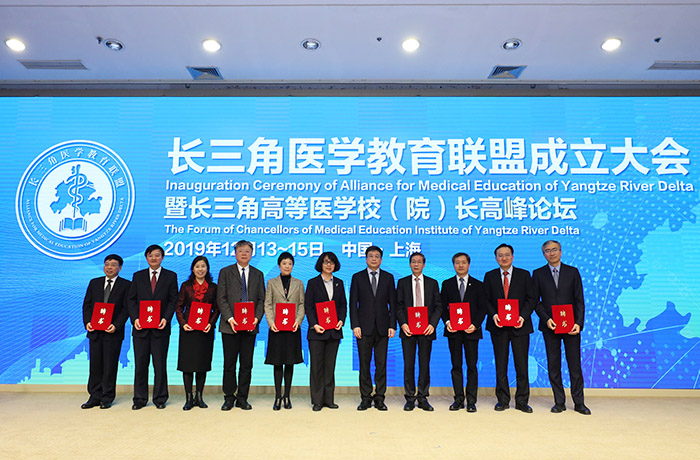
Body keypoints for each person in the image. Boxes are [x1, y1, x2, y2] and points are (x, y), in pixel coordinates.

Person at [533, 240, 590, 415]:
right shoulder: (538, 274)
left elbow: (579, 299)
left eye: (554, 249)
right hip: (551, 326)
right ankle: (559, 402)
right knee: (553, 365)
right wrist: (546, 319)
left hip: (571, 326)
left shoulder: (573, 272)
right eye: (547, 251)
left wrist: (578, 323)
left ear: (561, 251)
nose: (551, 253)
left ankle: (579, 402)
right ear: (543, 254)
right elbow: (535, 301)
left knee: (574, 365)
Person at [483, 243, 536, 413]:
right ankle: (503, 400)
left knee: (522, 365)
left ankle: (522, 401)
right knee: (501, 365)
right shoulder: (490, 276)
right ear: (496, 258)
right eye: (500, 255)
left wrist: (522, 316)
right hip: (498, 326)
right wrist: (494, 315)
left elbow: (531, 299)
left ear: (512, 257)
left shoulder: (524, 275)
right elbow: (486, 300)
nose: (504, 258)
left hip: (520, 326)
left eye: (507, 255)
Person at [127, 244, 179, 410]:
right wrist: (135, 319)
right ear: (146, 258)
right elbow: (131, 300)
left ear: (162, 257)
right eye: (150, 255)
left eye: (157, 255)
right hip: (140, 328)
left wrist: (166, 318)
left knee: (160, 365)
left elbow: (173, 300)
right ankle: (139, 399)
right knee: (140, 365)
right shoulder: (138, 276)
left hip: (160, 328)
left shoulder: (171, 276)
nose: (154, 258)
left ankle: (160, 398)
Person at [217, 240, 265, 411]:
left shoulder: (258, 274)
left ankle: (242, 398)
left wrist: (256, 318)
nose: (244, 254)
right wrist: (230, 318)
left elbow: (262, 299)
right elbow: (221, 298)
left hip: (250, 326)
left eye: (247, 251)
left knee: (246, 364)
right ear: (235, 253)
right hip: (229, 326)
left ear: (252, 254)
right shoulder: (225, 272)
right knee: (229, 364)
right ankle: (229, 397)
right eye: (240, 251)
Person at [349, 245, 397, 411]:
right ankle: (365, 397)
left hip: (383, 328)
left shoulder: (389, 278)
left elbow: (393, 304)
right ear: (366, 259)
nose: (374, 259)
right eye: (371, 256)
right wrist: (355, 325)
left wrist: (392, 325)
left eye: (377, 256)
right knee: (364, 364)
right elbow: (353, 304)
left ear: (381, 260)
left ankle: (380, 397)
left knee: (381, 364)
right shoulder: (357, 277)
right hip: (363, 328)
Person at [81, 254, 131, 409]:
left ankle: (107, 397)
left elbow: (126, 309)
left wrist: (116, 325)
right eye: (107, 264)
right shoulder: (94, 283)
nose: (109, 267)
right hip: (95, 331)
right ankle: (94, 396)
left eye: (114, 264)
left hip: (113, 332)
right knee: (95, 365)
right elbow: (87, 305)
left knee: (110, 365)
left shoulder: (126, 285)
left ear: (120, 268)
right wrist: (88, 322)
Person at [440, 252, 487, 412]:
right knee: (456, 366)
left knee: (472, 366)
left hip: (471, 331)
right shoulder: (447, 284)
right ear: (453, 265)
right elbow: (442, 307)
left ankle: (471, 401)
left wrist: (475, 324)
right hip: (454, 331)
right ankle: (458, 399)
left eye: (463, 262)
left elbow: (483, 308)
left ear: (468, 264)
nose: (460, 265)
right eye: (457, 262)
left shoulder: (479, 285)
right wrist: (447, 322)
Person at [396, 252, 442, 411]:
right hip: (408, 330)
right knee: (408, 364)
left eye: (419, 262)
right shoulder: (402, 282)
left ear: (424, 264)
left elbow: (438, 306)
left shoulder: (432, 283)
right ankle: (409, 398)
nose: (416, 264)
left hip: (426, 330)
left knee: (424, 364)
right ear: (410, 264)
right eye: (413, 261)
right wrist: (403, 324)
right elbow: (398, 306)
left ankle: (422, 397)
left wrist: (432, 324)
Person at [175, 256, 220, 411]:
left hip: (205, 331)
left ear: (207, 268)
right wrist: (183, 324)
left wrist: (210, 323)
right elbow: (179, 306)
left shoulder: (213, 287)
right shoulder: (186, 286)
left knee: (202, 364)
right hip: (189, 330)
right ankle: (188, 398)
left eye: (203, 266)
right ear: (193, 269)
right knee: (187, 365)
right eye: (197, 266)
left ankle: (199, 397)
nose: (200, 269)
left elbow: (217, 308)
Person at [305, 252, 347, 411]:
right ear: (320, 264)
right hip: (317, 332)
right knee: (316, 367)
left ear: (335, 265)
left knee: (330, 367)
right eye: (326, 262)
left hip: (333, 331)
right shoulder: (313, 283)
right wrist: (314, 324)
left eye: (332, 262)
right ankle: (317, 400)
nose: (329, 265)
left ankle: (329, 399)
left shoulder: (339, 283)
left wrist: (341, 320)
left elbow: (343, 305)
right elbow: (308, 306)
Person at [264, 252, 305, 410]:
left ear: (293, 266)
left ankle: (287, 396)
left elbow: (301, 304)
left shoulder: (299, 283)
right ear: (279, 265)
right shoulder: (271, 282)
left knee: (289, 362)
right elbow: (268, 304)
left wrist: (298, 321)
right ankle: (277, 396)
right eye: (284, 263)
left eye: (290, 263)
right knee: (277, 362)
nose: (287, 266)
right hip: (276, 328)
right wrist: (271, 322)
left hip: (292, 328)